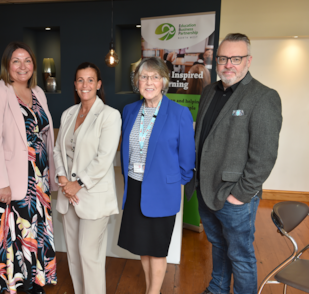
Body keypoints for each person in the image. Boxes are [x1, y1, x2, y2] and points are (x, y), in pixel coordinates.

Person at [185, 33, 282, 294]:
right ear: (216, 61)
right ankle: (218, 287)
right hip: (205, 190)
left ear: (248, 61)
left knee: (240, 255)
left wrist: (239, 196)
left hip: (234, 196)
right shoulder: (208, 91)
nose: (229, 64)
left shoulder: (263, 97)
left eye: (236, 58)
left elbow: (264, 157)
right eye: (223, 58)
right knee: (217, 244)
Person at [0, 41, 58, 294]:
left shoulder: (38, 93)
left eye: (28, 61)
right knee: (7, 237)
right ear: (7, 66)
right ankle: (6, 286)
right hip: (7, 181)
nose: (23, 66)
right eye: (16, 61)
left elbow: (44, 134)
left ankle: (32, 283)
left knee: (33, 234)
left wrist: (50, 173)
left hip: (37, 179)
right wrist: (1, 183)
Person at [118, 57, 195, 294]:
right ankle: (153, 289)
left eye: (154, 77)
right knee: (142, 247)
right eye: (143, 77)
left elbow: (187, 162)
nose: (148, 82)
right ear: (137, 82)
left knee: (158, 249)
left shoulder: (179, 113)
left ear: (164, 81)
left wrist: (170, 184)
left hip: (162, 191)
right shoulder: (130, 110)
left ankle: (153, 292)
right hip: (135, 188)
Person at [53, 62, 121, 294]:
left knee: (88, 254)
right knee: (73, 253)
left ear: (99, 84)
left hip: (92, 195)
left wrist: (77, 184)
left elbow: (104, 158)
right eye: (80, 80)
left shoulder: (110, 116)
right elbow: (57, 150)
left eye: (90, 80)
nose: (85, 85)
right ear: (75, 84)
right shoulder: (68, 114)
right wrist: (62, 178)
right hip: (68, 194)